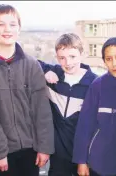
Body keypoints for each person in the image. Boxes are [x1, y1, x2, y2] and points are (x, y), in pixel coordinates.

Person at [0, 4, 54, 176]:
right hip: (2, 153)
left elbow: (42, 111)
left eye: (12, 24)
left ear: (19, 29)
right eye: (0, 24)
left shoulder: (31, 65)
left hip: (31, 150)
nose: (7, 29)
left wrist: (44, 147)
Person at [72, 37, 116, 176]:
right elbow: (85, 125)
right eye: (109, 58)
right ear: (104, 61)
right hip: (99, 162)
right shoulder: (97, 85)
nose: (114, 63)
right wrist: (81, 161)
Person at [38, 33, 98, 176]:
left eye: (72, 57)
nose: (68, 63)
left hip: (84, 156)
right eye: (62, 58)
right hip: (58, 157)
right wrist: (46, 71)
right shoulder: (55, 76)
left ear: (82, 54)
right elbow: (30, 62)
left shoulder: (94, 84)